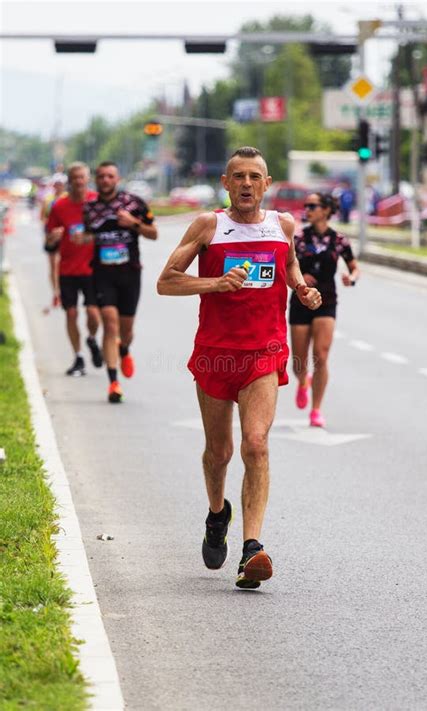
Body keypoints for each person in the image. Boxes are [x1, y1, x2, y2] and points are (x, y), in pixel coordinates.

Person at [157, 147, 322, 590]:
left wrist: (303, 290)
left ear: (267, 185)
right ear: (225, 184)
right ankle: (217, 515)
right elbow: (165, 281)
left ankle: (252, 548)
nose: (247, 184)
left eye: (255, 177)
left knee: (256, 443)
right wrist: (215, 283)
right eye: (238, 177)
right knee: (220, 453)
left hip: (264, 353)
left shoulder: (283, 225)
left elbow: (288, 266)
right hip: (215, 352)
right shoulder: (209, 226)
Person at [82, 162, 158, 403]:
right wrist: (79, 238)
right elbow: (85, 235)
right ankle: (113, 383)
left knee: (126, 331)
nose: (105, 180)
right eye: (101, 176)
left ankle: (124, 349)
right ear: (96, 179)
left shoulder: (134, 204)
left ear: (118, 178)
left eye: (110, 176)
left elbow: (153, 233)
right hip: (102, 275)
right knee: (110, 324)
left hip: (129, 274)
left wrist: (134, 224)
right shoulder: (89, 208)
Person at [290, 192, 360, 428]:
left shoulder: (339, 240)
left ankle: (316, 409)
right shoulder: (298, 238)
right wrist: (300, 277)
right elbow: (287, 265)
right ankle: (302, 382)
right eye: (306, 205)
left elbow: (354, 267)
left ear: (326, 210)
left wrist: (351, 278)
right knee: (299, 362)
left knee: (321, 355)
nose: (307, 209)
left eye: (313, 205)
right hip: (301, 299)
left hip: (327, 301)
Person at [45, 162, 102, 376]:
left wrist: (90, 237)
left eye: (82, 177)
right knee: (70, 313)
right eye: (74, 178)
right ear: (69, 181)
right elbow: (49, 237)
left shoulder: (97, 201)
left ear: (87, 179)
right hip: (68, 268)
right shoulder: (59, 206)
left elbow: (108, 231)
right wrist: (54, 236)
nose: (78, 181)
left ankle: (91, 339)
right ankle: (78, 357)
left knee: (93, 314)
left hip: (93, 268)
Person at [42, 173, 68, 308]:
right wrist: (49, 232)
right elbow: (43, 217)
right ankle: (55, 293)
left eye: (61, 184)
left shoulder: (68, 199)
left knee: (60, 265)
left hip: (64, 235)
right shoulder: (48, 199)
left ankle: (62, 291)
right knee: (53, 266)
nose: (58, 186)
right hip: (51, 235)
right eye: (56, 184)